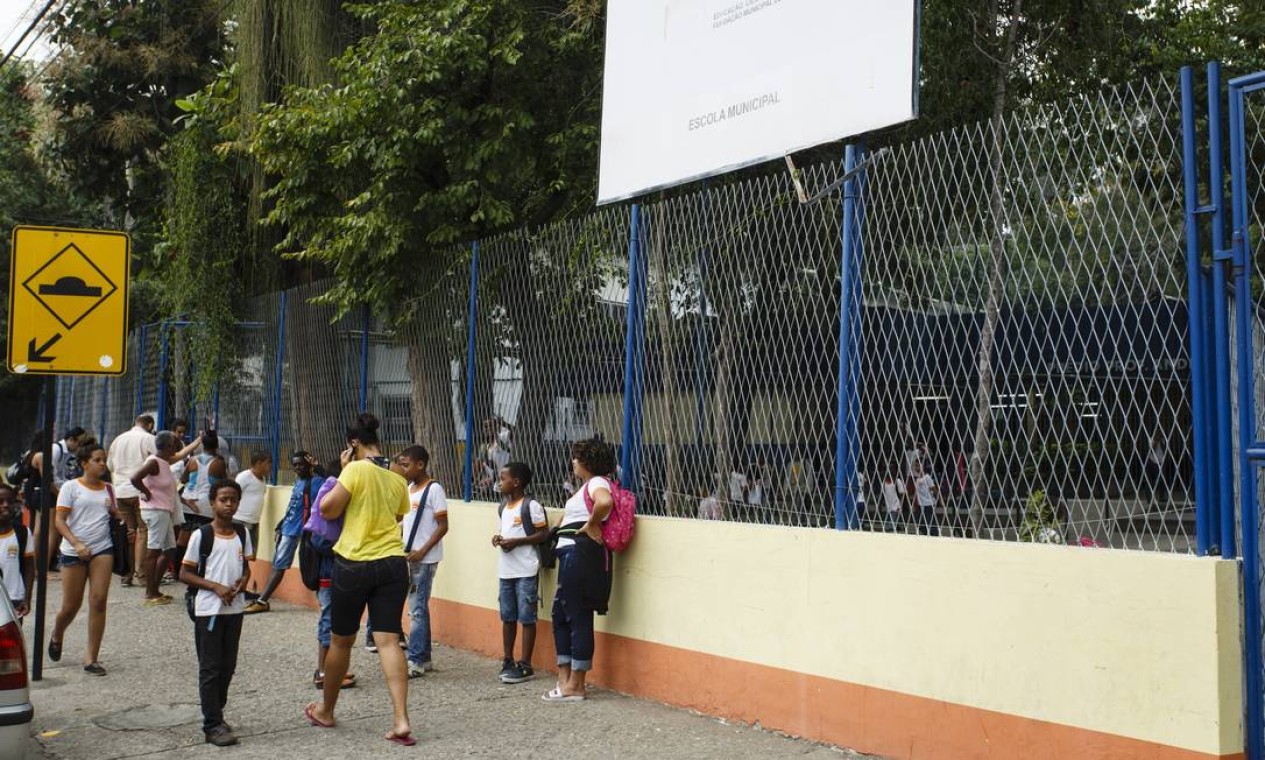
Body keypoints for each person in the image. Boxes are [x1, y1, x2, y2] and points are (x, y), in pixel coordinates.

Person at [304, 413, 415, 746]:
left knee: (341, 641)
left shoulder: (354, 470)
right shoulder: (396, 476)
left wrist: (340, 474)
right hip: (394, 564)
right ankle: (401, 719)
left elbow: (328, 510)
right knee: (389, 641)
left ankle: (326, 710)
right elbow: (396, 515)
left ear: (353, 443)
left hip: (355, 564)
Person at [180, 480, 253, 747]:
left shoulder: (242, 534)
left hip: (234, 609)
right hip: (209, 610)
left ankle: (217, 712)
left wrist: (243, 581)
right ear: (212, 502)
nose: (228, 504)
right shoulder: (202, 535)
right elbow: (184, 573)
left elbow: (245, 567)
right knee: (210, 668)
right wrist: (215, 587)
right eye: (223, 499)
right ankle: (212, 724)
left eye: (233, 499)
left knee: (228, 666)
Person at [545, 438, 615, 703]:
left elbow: (604, 502)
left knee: (576, 615)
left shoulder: (597, 483)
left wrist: (592, 524)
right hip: (573, 553)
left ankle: (576, 684)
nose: (573, 462)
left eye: (576, 457)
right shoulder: (587, 486)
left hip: (580, 553)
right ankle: (566, 680)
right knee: (563, 613)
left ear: (587, 461)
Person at [49, 445, 117, 675]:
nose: (102, 464)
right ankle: (57, 633)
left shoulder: (109, 489)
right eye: (97, 459)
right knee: (71, 606)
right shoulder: (70, 487)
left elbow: (112, 515)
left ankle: (91, 658)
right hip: (73, 551)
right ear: (84, 463)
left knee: (98, 601)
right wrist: (76, 544)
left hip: (102, 549)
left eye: (104, 460)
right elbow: (60, 521)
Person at [244, 452, 324, 614]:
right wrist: (281, 524)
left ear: (309, 464)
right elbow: (292, 507)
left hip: (301, 530)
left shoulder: (316, 482)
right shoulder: (299, 482)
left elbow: (332, 481)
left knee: (291, 565)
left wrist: (317, 466)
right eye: (294, 465)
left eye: (301, 464)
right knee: (278, 564)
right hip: (288, 528)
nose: (297, 468)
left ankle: (262, 600)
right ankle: (262, 599)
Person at [492, 461, 548, 685]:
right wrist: (499, 539)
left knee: (526, 618)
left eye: (503, 478)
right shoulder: (503, 507)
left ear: (516, 482)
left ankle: (525, 664)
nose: (499, 482)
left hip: (525, 569)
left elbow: (543, 534)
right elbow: (504, 530)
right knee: (507, 617)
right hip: (506, 571)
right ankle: (508, 659)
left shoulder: (530, 505)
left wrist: (518, 541)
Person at [398, 445, 447, 677]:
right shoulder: (409, 488)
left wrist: (423, 551)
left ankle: (415, 660)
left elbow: (443, 526)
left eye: (406, 465)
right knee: (419, 607)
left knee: (416, 609)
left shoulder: (434, 489)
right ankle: (424, 656)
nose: (403, 469)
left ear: (420, 464)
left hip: (425, 559)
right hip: (410, 556)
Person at [130, 431, 184, 606]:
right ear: (167, 446)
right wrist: (146, 492)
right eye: (174, 444)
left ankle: (155, 589)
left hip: (163, 511)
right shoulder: (154, 462)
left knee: (169, 550)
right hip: (155, 510)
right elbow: (134, 478)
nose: (176, 447)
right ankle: (149, 592)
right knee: (154, 551)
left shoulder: (164, 462)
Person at [108, 415, 157, 587]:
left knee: (128, 533)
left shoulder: (118, 439)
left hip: (121, 491)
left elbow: (110, 466)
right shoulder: (149, 439)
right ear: (150, 424)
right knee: (143, 531)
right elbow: (158, 463)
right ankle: (141, 574)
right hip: (140, 491)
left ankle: (126, 575)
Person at [0, 484, 34, 621]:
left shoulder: (23, 533)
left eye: (10, 501)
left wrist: (27, 598)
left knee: (11, 641)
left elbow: (29, 567)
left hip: (13, 600)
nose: (5, 505)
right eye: (0, 502)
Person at [233, 452, 271, 554]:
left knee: (249, 554)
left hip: (254, 522)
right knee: (238, 553)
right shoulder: (244, 476)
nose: (270, 466)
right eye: (268, 463)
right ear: (259, 463)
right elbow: (233, 495)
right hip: (240, 521)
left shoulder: (263, 479)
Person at [913, 465, 939, 537]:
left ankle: (935, 536)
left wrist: (935, 499)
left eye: (918, 466)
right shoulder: (917, 479)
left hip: (928, 504)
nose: (916, 467)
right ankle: (929, 535)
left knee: (930, 521)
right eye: (916, 466)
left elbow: (933, 489)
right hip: (920, 504)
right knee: (918, 521)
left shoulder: (927, 477)